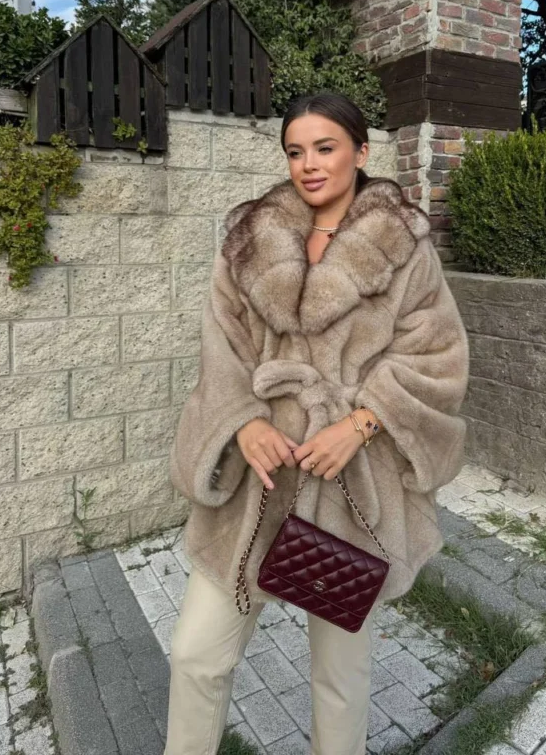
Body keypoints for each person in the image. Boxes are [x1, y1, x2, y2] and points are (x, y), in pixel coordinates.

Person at [164, 92, 470, 755]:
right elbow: (221, 347)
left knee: (339, 675)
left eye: (325, 148)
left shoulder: (404, 248)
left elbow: (438, 353)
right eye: (295, 151)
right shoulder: (249, 241)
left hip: (351, 483)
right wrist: (243, 422)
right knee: (196, 654)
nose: (309, 164)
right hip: (260, 478)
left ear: (360, 152)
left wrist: (362, 422)